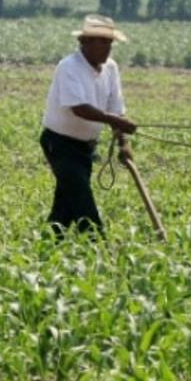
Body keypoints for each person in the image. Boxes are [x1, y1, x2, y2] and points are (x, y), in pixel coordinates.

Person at [40, 15, 137, 238]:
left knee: (65, 205)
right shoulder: (69, 67)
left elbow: (116, 108)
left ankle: (48, 243)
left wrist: (123, 143)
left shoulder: (111, 68)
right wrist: (116, 121)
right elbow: (79, 108)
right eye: (101, 42)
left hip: (85, 147)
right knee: (83, 202)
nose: (106, 48)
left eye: (109, 43)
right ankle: (97, 245)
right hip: (60, 144)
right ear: (85, 43)